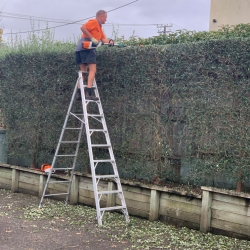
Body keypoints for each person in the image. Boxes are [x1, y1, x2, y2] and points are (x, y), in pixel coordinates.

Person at [75, 10, 114, 101]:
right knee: (93, 69)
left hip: (80, 49)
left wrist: (111, 42)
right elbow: (83, 27)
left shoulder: (100, 28)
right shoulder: (94, 22)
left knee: (83, 71)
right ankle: (89, 93)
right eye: (105, 18)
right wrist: (92, 38)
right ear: (101, 16)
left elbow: (104, 39)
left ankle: (79, 93)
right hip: (87, 48)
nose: (106, 20)